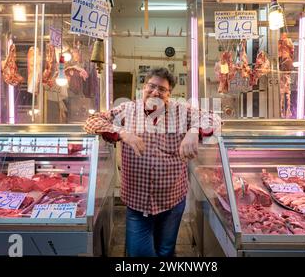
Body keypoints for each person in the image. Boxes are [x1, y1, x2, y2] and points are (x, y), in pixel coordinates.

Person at [84, 67, 220, 257]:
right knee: (139, 254)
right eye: (151, 86)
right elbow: (92, 120)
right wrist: (123, 133)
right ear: (143, 87)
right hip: (137, 201)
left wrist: (194, 130)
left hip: (172, 199)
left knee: (165, 251)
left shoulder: (182, 110)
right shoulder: (127, 109)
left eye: (162, 89)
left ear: (169, 93)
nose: (155, 92)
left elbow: (214, 118)